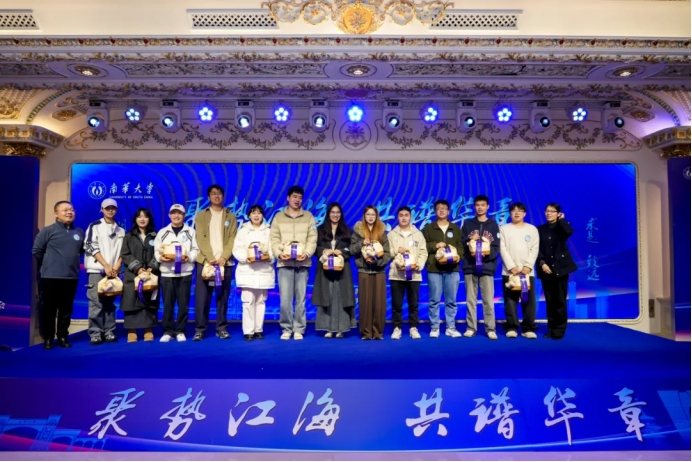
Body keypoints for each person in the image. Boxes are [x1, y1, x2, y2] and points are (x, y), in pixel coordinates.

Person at [32, 201, 85, 350]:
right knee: (49, 309)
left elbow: (80, 251)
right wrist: (50, 264)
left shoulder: (79, 232)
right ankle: (48, 338)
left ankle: (62, 336)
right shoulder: (48, 231)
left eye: (72, 210)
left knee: (66, 310)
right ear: (56, 213)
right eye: (65, 210)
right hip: (50, 277)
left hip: (71, 277)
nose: (69, 212)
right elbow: (37, 251)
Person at [270, 185, 317, 340]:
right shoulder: (278, 217)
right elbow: (274, 239)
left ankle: (299, 329)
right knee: (285, 299)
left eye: (300, 197)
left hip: (303, 264)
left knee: (301, 299)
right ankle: (286, 328)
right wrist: (279, 253)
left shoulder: (308, 216)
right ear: (288, 198)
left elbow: (312, 238)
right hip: (285, 264)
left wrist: (307, 253)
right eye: (294, 197)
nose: (297, 200)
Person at [193, 185, 238, 341]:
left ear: (223, 196)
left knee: (222, 297)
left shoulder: (231, 216)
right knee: (202, 298)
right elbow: (200, 237)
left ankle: (221, 328)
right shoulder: (201, 215)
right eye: (213, 193)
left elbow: (232, 238)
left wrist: (224, 257)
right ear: (208, 197)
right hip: (205, 262)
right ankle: (200, 329)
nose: (216, 196)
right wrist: (211, 258)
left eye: (219, 193)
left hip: (225, 263)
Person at [155, 204, 199, 342]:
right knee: (168, 304)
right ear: (169, 215)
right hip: (167, 273)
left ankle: (180, 330)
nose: (176, 216)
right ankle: (168, 331)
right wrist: (160, 258)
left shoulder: (191, 232)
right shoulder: (163, 232)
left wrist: (189, 257)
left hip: (185, 273)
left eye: (179, 213)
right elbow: (157, 251)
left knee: (183, 304)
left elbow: (196, 250)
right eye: (173, 213)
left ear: (184, 216)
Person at [83, 198, 125, 345]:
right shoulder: (94, 226)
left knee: (110, 304)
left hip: (113, 272)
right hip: (97, 271)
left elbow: (123, 251)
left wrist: (116, 267)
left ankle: (109, 331)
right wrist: (106, 265)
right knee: (96, 303)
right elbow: (89, 245)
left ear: (116, 210)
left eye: (113, 208)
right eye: (107, 208)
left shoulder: (121, 230)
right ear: (102, 210)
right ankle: (95, 333)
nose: (110, 210)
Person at [232, 205, 275, 341]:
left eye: (259, 213)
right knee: (248, 301)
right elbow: (236, 249)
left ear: (263, 215)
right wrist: (247, 258)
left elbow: (274, 249)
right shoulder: (243, 231)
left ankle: (258, 329)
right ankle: (248, 331)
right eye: (253, 213)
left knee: (261, 301)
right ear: (249, 215)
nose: (256, 215)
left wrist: (268, 256)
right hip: (247, 270)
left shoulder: (269, 231)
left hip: (264, 270)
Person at [313, 202, 356, 338]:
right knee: (327, 296)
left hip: (342, 269)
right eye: (333, 212)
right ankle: (328, 328)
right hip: (325, 269)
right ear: (328, 214)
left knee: (340, 296)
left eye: (338, 212)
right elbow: (314, 247)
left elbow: (353, 248)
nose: (335, 215)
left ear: (341, 214)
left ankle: (340, 329)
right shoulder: (320, 230)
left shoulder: (347, 231)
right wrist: (323, 251)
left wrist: (342, 251)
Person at [422, 200, 464, 338]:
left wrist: (458, 256)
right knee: (434, 300)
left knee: (451, 300)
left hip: (452, 269)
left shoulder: (455, 228)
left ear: (448, 211)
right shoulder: (428, 228)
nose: (441, 210)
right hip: (434, 269)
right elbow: (422, 246)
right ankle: (434, 327)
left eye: (444, 208)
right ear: (435, 211)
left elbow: (461, 247)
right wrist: (435, 245)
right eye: (439, 208)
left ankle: (450, 327)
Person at [461, 195, 501, 340]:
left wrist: (486, 255)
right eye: (477, 205)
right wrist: (469, 240)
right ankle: (471, 327)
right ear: (474, 207)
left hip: (487, 267)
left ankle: (490, 328)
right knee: (470, 300)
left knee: (488, 300)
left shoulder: (493, 225)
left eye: (483, 205)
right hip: (470, 267)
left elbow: (496, 246)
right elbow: (461, 243)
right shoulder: (467, 224)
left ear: (488, 207)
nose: (480, 207)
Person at [537, 203, 578, 340]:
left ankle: (559, 330)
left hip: (561, 269)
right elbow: (536, 248)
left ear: (558, 213)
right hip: (546, 269)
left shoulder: (562, 227)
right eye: (547, 211)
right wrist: (542, 263)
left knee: (560, 301)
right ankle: (551, 329)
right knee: (550, 301)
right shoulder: (540, 229)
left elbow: (569, 232)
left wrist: (562, 220)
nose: (548, 213)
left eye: (552, 211)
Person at [500, 202, 539, 339]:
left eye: (520, 210)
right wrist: (511, 266)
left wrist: (528, 266)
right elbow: (502, 249)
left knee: (528, 300)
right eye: (514, 210)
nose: (517, 213)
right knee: (510, 300)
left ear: (524, 213)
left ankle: (528, 328)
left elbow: (534, 249)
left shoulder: (532, 229)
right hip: (509, 272)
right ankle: (512, 327)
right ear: (510, 213)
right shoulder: (504, 229)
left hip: (527, 273)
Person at [350, 205, 391, 340]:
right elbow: (352, 250)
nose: (371, 217)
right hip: (364, 271)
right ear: (364, 216)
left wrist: (378, 262)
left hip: (379, 272)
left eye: (373, 214)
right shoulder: (357, 232)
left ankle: (378, 332)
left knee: (379, 303)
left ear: (376, 216)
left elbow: (387, 254)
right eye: (368, 214)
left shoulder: (382, 233)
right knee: (365, 302)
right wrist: (362, 243)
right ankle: (366, 332)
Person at [387, 206, 427, 340]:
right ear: (397, 217)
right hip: (396, 275)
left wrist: (419, 265)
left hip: (414, 275)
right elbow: (387, 252)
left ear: (410, 217)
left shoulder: (418, 234)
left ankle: (413, 327)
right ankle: (397, 328)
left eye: (406, 215)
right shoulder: (391, 234)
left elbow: (423, 252)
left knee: (413, 304)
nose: (403, 218)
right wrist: (396, 251)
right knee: (397, 304)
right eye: (401, 215)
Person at [120, 208, 160, 342]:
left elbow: (159, 253)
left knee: (149, 300)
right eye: (139, 216)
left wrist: (151, 267)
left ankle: (148, 329)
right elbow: (125, 254)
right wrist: (137, 268)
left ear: (149, 219)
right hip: (133, 274)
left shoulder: (156, 235)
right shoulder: (129, 236)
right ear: (135, 219)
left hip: (150, 274)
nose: (142, 219)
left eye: (145, 216)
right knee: (131, 300)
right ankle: (132, 330)